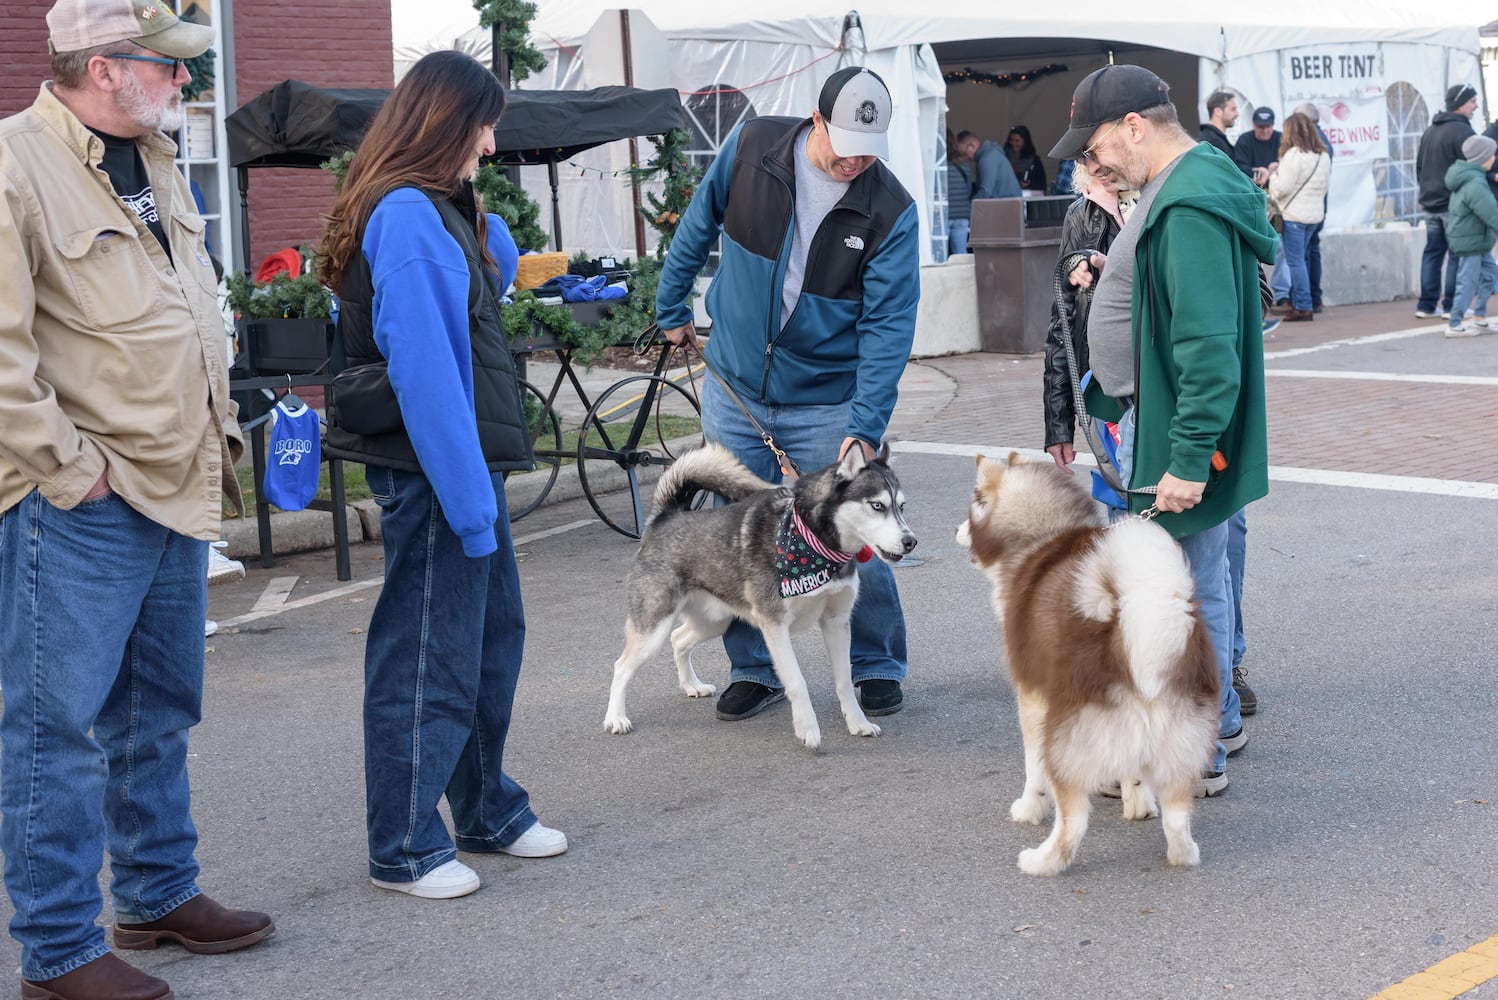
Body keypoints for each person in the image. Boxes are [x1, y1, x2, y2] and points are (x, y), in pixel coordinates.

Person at [0, 1, 276, 997]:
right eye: (167, 67)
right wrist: (73, 469)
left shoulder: (153, 157)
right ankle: (61, 951)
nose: (186, 82)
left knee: (154, 710)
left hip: (175, 480)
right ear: (107, 68)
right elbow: (2, 354)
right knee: (54, 731)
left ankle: (157, 892)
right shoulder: (15, 164)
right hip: (78, 497)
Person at [317, 50, 566, 902]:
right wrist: (468, 504)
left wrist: (481, 228)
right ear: (446, 124)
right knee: (428, 659)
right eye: (484, 125)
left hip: (456, 468)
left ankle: (488, 808)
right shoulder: (410, 218)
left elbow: (472, 310)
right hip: (432, 472)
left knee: (488, 644)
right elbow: (427, 375)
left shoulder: (433, 211)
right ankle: (406, 846)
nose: (492, 145)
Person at [655, 66, 919, 722]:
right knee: (743, 532)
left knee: (857, 527)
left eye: (871, 145)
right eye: (846, 140)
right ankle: (754, 666)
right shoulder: (752, 149)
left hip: (826, 397)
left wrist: (865, 423)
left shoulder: (891, 210)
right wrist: (670, 304)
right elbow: (696, 224)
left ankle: (876, 662)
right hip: (736, 382)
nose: (856, 157)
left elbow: (888, 328)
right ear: (816, 117)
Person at [1049, 64, 1274, 794]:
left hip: (1175, 426)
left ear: (1134, 128)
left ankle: (1191, 754)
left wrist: (1186, 454)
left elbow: (1208, 348)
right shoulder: (1183, 187)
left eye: (1099, 145)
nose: (1095, 160)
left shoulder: (1186, 202)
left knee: (1180, 592)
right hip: (1160, 416)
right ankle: (1208, 735)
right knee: (1189, 583)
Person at [1042, 161, 1133, 469]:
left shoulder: (1161, 200)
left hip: (1164, 386)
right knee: (1122, 502)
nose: (1097, 161)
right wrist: (1058, 425)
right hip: (1103, 390)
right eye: (1086, 152)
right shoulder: (1081, 214)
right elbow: (1062, 323)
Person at [1414, 84, 1479, 319]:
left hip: (1430, 202)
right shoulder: (1463, 132)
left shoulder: (1431, 130)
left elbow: (1419, 165)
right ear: (1460, 104)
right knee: (1457, 253)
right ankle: (1452, 305)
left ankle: (1426, 305)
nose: (1476, 106)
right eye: (1472, 101)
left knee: (1432, 252)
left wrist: (1423, 194)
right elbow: (1473, 169)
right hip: (1452, 204)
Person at [1268, 112, 1331, 322]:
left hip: (1294, 215)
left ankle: (1303, 306)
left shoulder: (1293, 155)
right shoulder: (1323, 155)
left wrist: (1273, 177)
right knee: (1303, 259)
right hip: (1314, 215)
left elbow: (1281, 189)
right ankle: (1305, 300)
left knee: (1295, 262)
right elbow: (1324, 187)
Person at [1441, 135, 1498, 337]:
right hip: (1470, 240)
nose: (1494, 158)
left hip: (1475, 239)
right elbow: (1491, 212)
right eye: (1492, 154)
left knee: (1491, 273)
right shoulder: (1475, 182)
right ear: (1484, 157)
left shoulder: (1472, 177)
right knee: (1468, 281)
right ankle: (1455, 324)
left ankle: (1479, 317)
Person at [1288, 101, 1334, 313]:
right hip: (1317, 208)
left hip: (1300, 210)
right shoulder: (1324, 145)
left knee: (1299, 257)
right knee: (1311, 252)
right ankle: (1314, 298)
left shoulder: (1306, 146)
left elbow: (1287, 183)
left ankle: (1303, 301)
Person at [958, 128, 1023, 199]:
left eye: (964, 153)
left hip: (1005, 205)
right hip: (1009, 203)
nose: (965, 158)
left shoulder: (986, 158)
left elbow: (985, 191)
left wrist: (970, 207)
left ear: (972, 145)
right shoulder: (991, 153)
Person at [946, 130, 975, 254]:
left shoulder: (936, 164)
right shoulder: (963, 163)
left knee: (940, 254)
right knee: (961, 253)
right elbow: (968, 190)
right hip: (962, 215)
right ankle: (962, 274)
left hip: (943, 215)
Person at [1006, 124, 1048, 192]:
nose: (1013, 143)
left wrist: (1029, 184)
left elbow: (1042, 185)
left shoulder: (1035, 162)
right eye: (1011, 140)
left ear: (1025, 141)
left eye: (1017, 141)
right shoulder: (1004, 158)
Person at [1199, 89, 1238, 160]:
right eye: (1233, 109)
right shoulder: (1211, 142)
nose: (1237, 114)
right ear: (1218, 111)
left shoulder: (1216, 140)